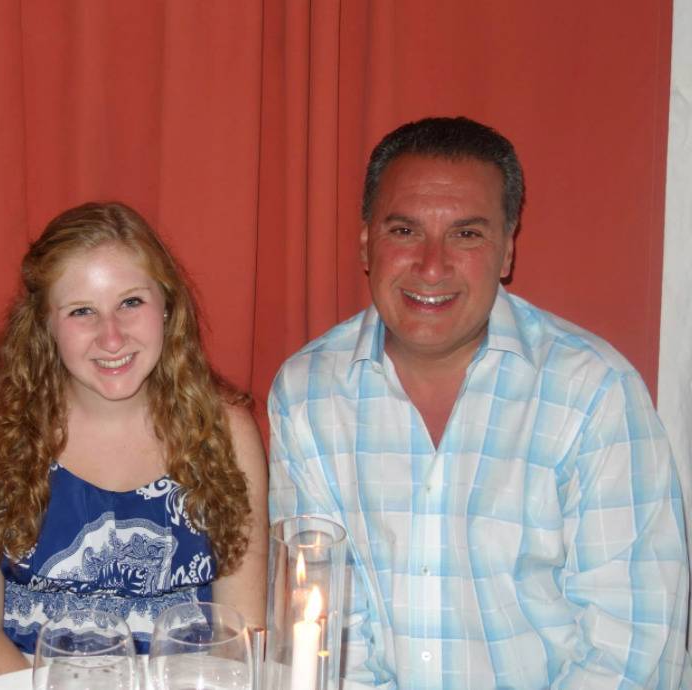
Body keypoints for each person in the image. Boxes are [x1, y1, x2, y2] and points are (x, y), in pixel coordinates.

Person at [268, 117, 690, 689]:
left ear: (507, 250)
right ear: (366, 244)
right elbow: (329, 642)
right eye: (405, 231)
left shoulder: (594, 394)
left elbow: (633, 651)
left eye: (466, 234)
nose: (432, 265)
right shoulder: (307, 394)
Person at [0, 201, 268, 679]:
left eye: (131, 302)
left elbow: (241, 629)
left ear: (167, 306)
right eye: (82, 311)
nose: (111, 338)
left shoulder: (226, 434)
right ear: (45, 324)